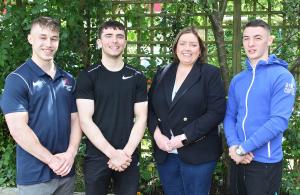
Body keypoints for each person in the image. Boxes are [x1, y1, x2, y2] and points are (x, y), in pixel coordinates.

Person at [0, 16, 82, 195]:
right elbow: (18, 129)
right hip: (34, 177)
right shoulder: (17, 79)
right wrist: (51, 160)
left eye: (54, 38)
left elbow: (76, 120)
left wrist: (70, 154)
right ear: (30, 39)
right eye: (42, 37)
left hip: (66, 173)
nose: (49, 44)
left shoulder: (68, 79)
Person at [148, 26, 226, 195]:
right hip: (166, 152)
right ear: (176, 47)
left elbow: (216, 112)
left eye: (193, 44)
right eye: (183, 43)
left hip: (198, 153)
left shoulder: (210, 74)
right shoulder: (163, 72)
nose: (187, 49)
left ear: (200, 49)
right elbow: (150, 107)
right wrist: (157, 135)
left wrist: (184, 137)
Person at [224, 19, 296, 195]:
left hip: (265, 163)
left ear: (270, 40)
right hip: (237, 160)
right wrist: (234, 146)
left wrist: (244, 148)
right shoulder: (238, 79)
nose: (251, 43)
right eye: (246, 38)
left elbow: (278, 122)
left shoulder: (282, 77)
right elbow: (229, 116)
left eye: (257, 38)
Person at [75, 20, 148, 195]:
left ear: (125, 41)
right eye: (108, 36)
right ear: (99, 42)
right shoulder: (87, 76)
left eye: (119, 36)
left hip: (128, 155)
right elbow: (85, 120)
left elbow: (141, 117)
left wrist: (126, 153)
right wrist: (112, 153)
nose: (114, 41)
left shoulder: (137, 76)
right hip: (97, 155)